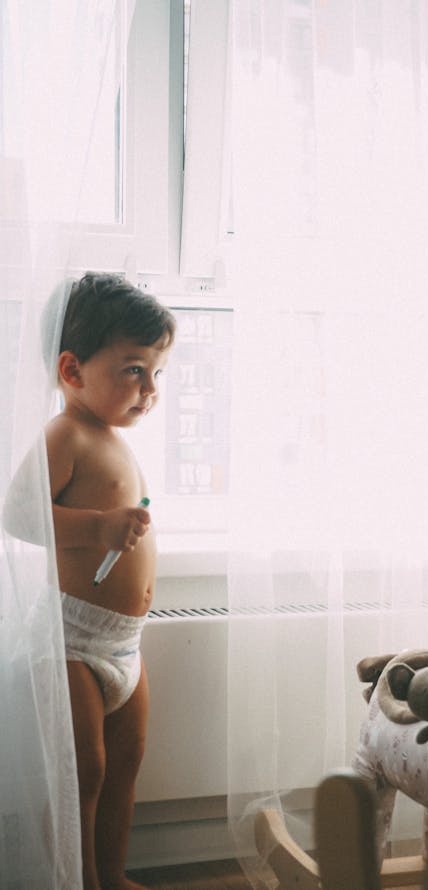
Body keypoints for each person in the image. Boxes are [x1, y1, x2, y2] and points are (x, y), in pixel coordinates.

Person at [44, 271, 176, 890]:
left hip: (126, 640)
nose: (150, 390)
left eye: (157, 373)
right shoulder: (66, 434)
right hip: (74, 639)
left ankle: (114, 875)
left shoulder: (114, 436)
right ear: (73, 371)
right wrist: (100, 528)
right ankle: (83, 880)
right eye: (132, 370)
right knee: (87, 771)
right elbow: (18, 517)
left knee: (126, 764)